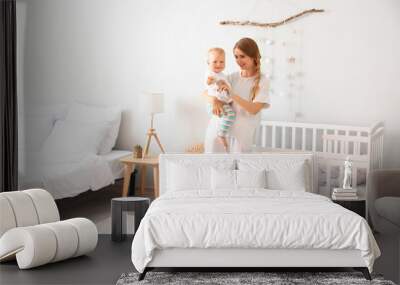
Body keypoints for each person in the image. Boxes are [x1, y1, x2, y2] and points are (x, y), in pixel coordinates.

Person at [203, 38, 271, 153]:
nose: (239, 61)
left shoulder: (262, 81)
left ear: (253, 56)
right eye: (236, 56)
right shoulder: (232, 77)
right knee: (213, 168)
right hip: (217, 131)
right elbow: (205, 93)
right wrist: (215, 101)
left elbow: (254, 109)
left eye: (242, 56)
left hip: (240, 138)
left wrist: (232, 94)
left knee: (238, 169)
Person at [205, 47, 236, 151]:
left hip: (222, 103)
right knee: (230, 115)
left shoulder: (223, 75)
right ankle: (221, 134)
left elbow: (226, 90)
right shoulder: (211, 74)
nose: (218, 64)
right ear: (208, 63)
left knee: (230, 113)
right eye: (215, 62)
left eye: (222, 62)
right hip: (215, 104)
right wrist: (212, 82)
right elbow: (209, 83)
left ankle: (221, 134)